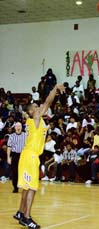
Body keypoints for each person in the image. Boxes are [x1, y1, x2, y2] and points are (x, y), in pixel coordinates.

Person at [11, 84, 65, 229]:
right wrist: (55, 88)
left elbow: (44, 104)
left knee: (26, 187)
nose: (39, 106)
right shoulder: (35, 117)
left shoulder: (35, 120)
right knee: (32, 188)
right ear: (32, 111)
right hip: (31, 156)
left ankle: (20, 213)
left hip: (27, 155)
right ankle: (27, 218)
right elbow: (47, 102)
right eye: (36, 105)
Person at [7, 122, 26, 193]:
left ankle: (24, 186)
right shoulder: (11, 136)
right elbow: (9, 148)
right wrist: (8, 157)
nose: (18, 127)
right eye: (17, 126)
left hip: (23, 156)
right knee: (15, 172)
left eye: (19, 126)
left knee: (23, 171)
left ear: (21, 127)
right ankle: (15, 187)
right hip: (14, 155)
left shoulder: (25, 135)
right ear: (14, 128)